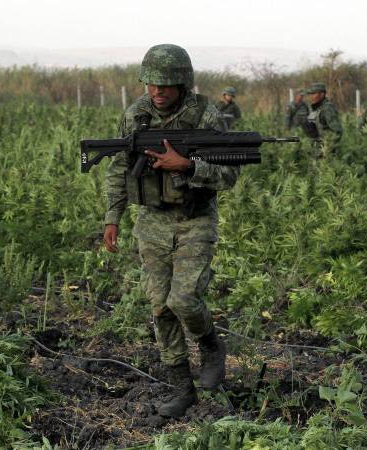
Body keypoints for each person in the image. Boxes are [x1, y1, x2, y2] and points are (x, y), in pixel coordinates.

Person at [103, 44, 237, 418]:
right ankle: (182, 388)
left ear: (183, 84)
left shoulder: (206, 115)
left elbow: (229, 173)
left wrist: (188, 166)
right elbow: (118, 167)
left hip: (195, 218)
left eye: (165, 85)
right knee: (160, 306)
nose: (157, 92)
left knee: (184, 300)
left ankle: (211, 347)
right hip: (152, 221)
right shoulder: (136, 115)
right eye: (151, 85)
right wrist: (112, 217)